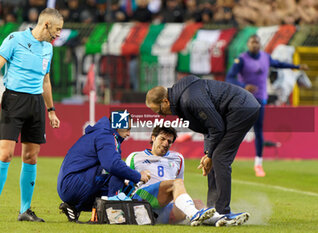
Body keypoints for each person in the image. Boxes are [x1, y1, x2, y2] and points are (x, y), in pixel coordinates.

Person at [145, 75, 260, 226]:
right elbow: (208, 127)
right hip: (234, 111)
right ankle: (212, 211)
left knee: (220, 158)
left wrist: (211, 155)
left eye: (159, 110)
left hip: (243, 109)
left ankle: (224, 213)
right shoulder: (181, 100)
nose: (161, 115)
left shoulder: (189, 99)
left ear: (166, 101)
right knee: (214, 159)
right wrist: (207, 154)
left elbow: (216, 127)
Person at [0, 8, 63, 222]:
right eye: (57, 29)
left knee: (30, 157)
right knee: (6, 154)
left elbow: (45, 81)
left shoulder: (48, 49)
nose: (59, 34)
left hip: (36, 104)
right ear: (46, 25)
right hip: (14, 101)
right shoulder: (15, 39)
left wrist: (51, 110)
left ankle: (25, 210)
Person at [226, 34, 309, 177]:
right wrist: (244, 86)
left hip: (260, 99)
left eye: (257, 42)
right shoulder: (242, 59)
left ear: (260, 44)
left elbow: (279, 64)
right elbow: (229, 77)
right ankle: (223, 158)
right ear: (248, 44)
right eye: (252, 42)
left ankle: (258, 164)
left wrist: (296, 66)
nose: (255, 45)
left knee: (258, 130)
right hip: (243, 99)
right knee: (234, 129)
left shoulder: (265, 57)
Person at [57, 115, 151, 223]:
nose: (129, 134)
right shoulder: (106, 135)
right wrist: (138, 176)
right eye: (127, 129)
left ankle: (75, 208)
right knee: (117, 169)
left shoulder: (102, 133)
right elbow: (112, 165)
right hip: (74, 184)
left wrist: (120, 186)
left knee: (123, 188)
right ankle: (112, 212)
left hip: (70, 184)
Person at [126, 126, 218, 226]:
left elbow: (178, 189)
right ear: (153, 138)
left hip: (163, 206)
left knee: (197, 204)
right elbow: (124, 182)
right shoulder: (135, 156)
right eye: (162, 139)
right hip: (141, 200)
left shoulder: (178, 158)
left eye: (169, 141)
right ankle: (194, 214)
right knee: (176, 184)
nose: (166, 144)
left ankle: (219, 219)